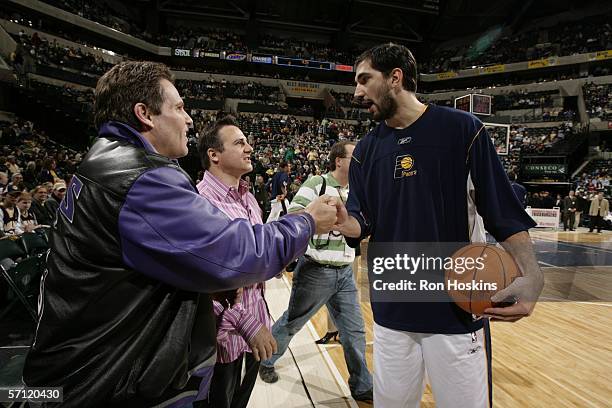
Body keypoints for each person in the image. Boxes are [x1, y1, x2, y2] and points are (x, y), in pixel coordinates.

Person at [23, 61, 339, 408]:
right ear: (144, 114)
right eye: (178, 107)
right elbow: (235, 254)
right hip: (108, 380)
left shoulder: (103, 161)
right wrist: (306, 222)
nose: (188, 119)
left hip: (86, 365)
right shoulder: (141, 178)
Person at [334, 43, 544, 407]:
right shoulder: (366, 150)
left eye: (365, 79)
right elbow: (362, 221)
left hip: (456, 307)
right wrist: (343, 223)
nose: (357, 92)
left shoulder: (463, 129)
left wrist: (532, 275)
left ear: (395, 78)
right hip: (392, 308)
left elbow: (501, 211)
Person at [259, 141, 374, 402]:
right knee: (292, 322)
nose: (360, 161)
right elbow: (296, 215)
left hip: (345, 271)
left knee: (354, 331)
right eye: (354, 156)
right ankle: (265, 361)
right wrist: (322, 219)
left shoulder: (358, 189)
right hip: (316, 271)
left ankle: (362, 385)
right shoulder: (316, 183)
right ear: (338, 161)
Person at [194, 116, 276, 408]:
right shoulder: (201, 204)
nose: (249, 148)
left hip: (255, 330)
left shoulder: (248, 197)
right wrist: (244, 323)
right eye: (239, 142)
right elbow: (202, 283)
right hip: (224, 338)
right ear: (213, 155)